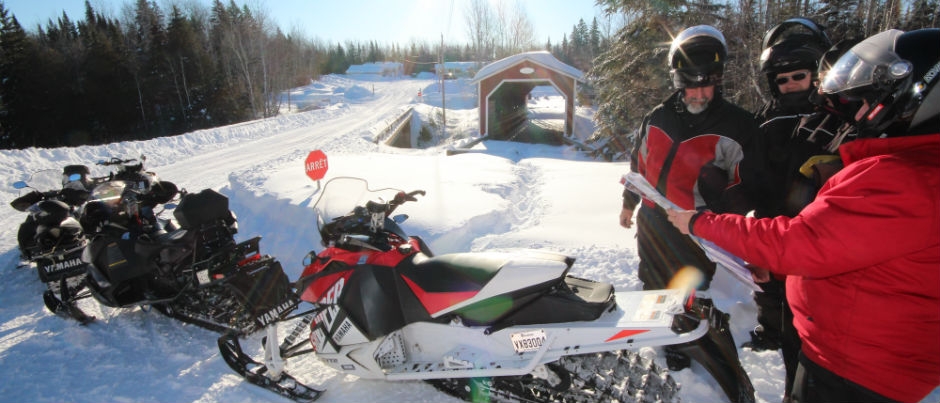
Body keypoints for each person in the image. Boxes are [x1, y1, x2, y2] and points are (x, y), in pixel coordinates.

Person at [666, 28, 940, 403]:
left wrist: (701, 222)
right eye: (783, 79)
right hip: (843, 336)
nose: (856, 111)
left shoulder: (905, 179)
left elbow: (807, 241)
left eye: (863, 103)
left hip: (861, 369)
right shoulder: (908, 166)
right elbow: (832, 237)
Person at [619, 25, 757, 403]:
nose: (698, 94)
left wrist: (723, 199)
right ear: (677, 82)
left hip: (696, 225)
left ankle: (688, 340)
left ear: (719, 81)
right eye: (690, 85)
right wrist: (629, 204)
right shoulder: (658, 116)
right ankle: (661, 332)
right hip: (652, 218)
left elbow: (749, 186)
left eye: (706, 85)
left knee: (690, 288)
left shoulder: (737, 126)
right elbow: (638, 162)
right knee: (652, 278)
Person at [745, 18, 835, 401]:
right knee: (785, 319)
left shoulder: (842, 119)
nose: (791, 85)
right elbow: (756, 185)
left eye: (799, 76)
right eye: (782, 80)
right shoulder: (765, 123)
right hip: (779, 236)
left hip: (829, 245)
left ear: (817, 74)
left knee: (821, 334)